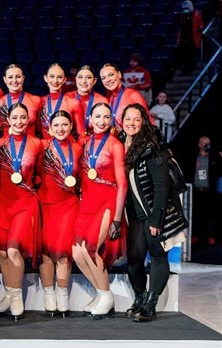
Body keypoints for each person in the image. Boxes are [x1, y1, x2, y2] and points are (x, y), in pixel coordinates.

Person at [121, 103, 188, 322]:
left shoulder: (153, 148)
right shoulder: (122, 144)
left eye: (136, 120)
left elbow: (162, 187)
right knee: (134, 259)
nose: (131, 123)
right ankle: (140, 297)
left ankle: (151, 303)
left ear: (143, 123)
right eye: (128, 119)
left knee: (158, 256)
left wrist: (156, 219)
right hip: (135, 215)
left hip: (153, 214)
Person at [72, 103, 127, 319]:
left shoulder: (115, 144)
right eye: (97, 116)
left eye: (106, 117)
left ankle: (106, 295)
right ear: (90, 119)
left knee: (92, 248)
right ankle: (100, 292)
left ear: (111, 119)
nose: (101, 121)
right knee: (77, 253)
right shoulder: (84, 143)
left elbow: (122, 184)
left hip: (108, 200)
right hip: (88, 202)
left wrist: (117, 218)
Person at [0, 103, 43, 320]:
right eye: (15, 117)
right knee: (2, 252)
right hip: (1, 202)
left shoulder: (37, 144)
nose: (19, 121)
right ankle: (10, 292)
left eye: (23, 117)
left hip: (24, 202)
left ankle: (17, 296)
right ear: (7, 119)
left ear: (29, 119)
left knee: (13, 250)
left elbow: (40, 173)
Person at [37, 110, 83, 317]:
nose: (61, 129)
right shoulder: (42, 148)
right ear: (50, 128)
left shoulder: (78, 149)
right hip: (46, 204)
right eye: (56, 125)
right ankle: (48, 293)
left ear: (71, 126)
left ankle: (62, 292)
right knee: (46, 249)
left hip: (69, 204)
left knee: (64, 251)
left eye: (65, 124)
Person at [99, 63, 153, 132]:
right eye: (104, 78)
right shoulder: (110, 99)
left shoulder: (133, 95)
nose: (108, 80)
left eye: (111, 75)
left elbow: (149, 122)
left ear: (119, 74)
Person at [0, 64, 42, 138]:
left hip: (31, 147)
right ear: (4, 79)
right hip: (6, 148)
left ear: (23, 78)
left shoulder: (35, 100)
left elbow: (39, 130)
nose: (14, 81)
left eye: (18, 77)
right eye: (10, 77)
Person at [38, 63, 84, 140]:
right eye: (52, 76)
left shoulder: (73, 103)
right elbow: (38, 130)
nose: (55, 80)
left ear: (64, 80)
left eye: (59, 77)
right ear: (46, 78)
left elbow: (81, 134)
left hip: (68, 149)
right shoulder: (40, 102)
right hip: (46, 149)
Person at [64, 65, 108, 137]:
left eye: (88, 77)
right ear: (76, 79)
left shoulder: (101, 101)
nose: (84, 81)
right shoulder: (66, 98)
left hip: (94, 142)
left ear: (95, 81)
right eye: (80, 77)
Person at [190, 136, 217, 245]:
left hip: (209, 191)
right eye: (205, 144)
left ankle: (210, 236)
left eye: (208, 143)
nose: (207, 146)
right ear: (199, 145)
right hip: (196, 190)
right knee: (195, 214)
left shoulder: (213, 157)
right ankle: (195, 235)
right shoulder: (194, 157)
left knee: (210, 214)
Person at [177, 0, 204, 75]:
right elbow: (181, 28)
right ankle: (186, 70)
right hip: (185, 38)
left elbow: (201, 25)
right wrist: (179, 39)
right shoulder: (182, 15)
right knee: (185, 55)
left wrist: (200, 28)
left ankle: (191, 69)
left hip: (194, 38)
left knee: (192, 55)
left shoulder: (197, 13)